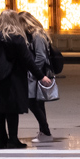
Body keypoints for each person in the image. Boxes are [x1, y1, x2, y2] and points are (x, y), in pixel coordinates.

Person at [0, 10, 52, 148]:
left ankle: (1, 139)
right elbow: (28, 59)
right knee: (12, 110)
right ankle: (13, 140)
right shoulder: (16, 38)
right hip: (13, 78)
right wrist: (41, 76)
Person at [19, 11, 54, 143]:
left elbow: (40, 57)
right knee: (38, 103)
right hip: (39, 73)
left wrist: (34, 72)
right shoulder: (37, 34)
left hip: (38, 74)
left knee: (32, 102)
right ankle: (44, 131)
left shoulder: (37, 35)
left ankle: (45, 130)